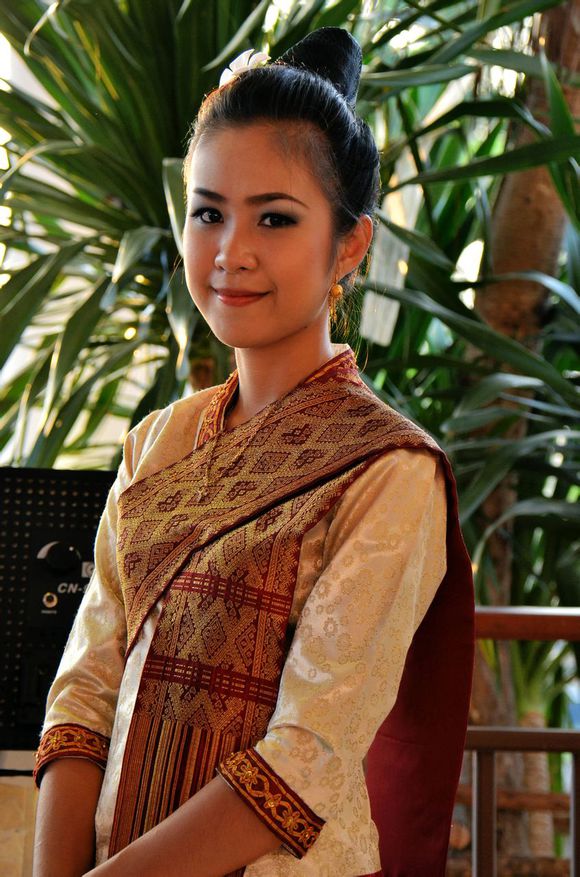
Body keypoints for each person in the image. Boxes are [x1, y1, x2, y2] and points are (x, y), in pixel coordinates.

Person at [32, 27, 474, 877]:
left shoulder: (388, 470)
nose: (231, 251)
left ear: (350, 244)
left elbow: (303, 759)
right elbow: (82, 693)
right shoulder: (156, 443)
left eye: (275, 217)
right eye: (209, 213)